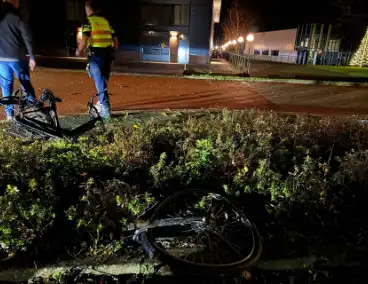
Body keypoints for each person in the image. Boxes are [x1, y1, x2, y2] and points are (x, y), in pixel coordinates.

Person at [76, 0, 118, 119]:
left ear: (88, 9)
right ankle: (101, 102)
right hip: (108, 54)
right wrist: (112, 51)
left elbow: (84, 39)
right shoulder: (106, 22)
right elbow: (115, 42)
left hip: (95, 55)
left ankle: (105, 108)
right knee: (103, 80)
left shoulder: (88, 21)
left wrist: (78, 50)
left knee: (98, 79)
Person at [0, 0, 41, 120]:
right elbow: (27, 38)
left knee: (6, 85)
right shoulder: (18, 17)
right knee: (25, 82)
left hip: (1, 59)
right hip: (17, 57)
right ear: (15, 3)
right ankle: (32, 110)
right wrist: (32, 57)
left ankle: (9, 114)